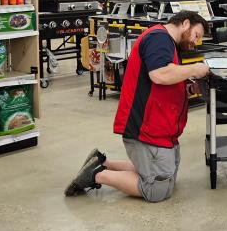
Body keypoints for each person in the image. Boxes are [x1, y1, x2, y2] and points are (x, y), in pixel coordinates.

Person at [64, 10, 210, 200]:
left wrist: (190, 89)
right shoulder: (159, 39)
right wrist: (196, 68)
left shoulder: (168, 44)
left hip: (160, 129)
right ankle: (96, 175)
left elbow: (165, 82)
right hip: (145, 129)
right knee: (158, 190)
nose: (194, 42)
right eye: (196, 35)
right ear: (185, 23)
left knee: (168, 179)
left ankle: (103, 162)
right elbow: (159, 74)